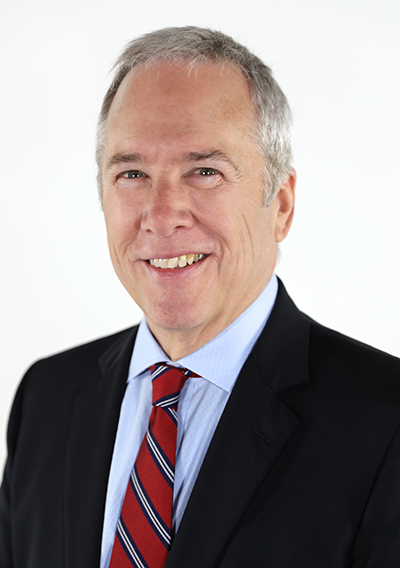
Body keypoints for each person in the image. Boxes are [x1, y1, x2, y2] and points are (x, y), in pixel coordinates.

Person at [1, 26, 399, 568]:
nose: (162, 216)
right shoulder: (46, 399)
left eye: (205, 171)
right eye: (132, 173)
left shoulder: (385, 422)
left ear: (281, 206)